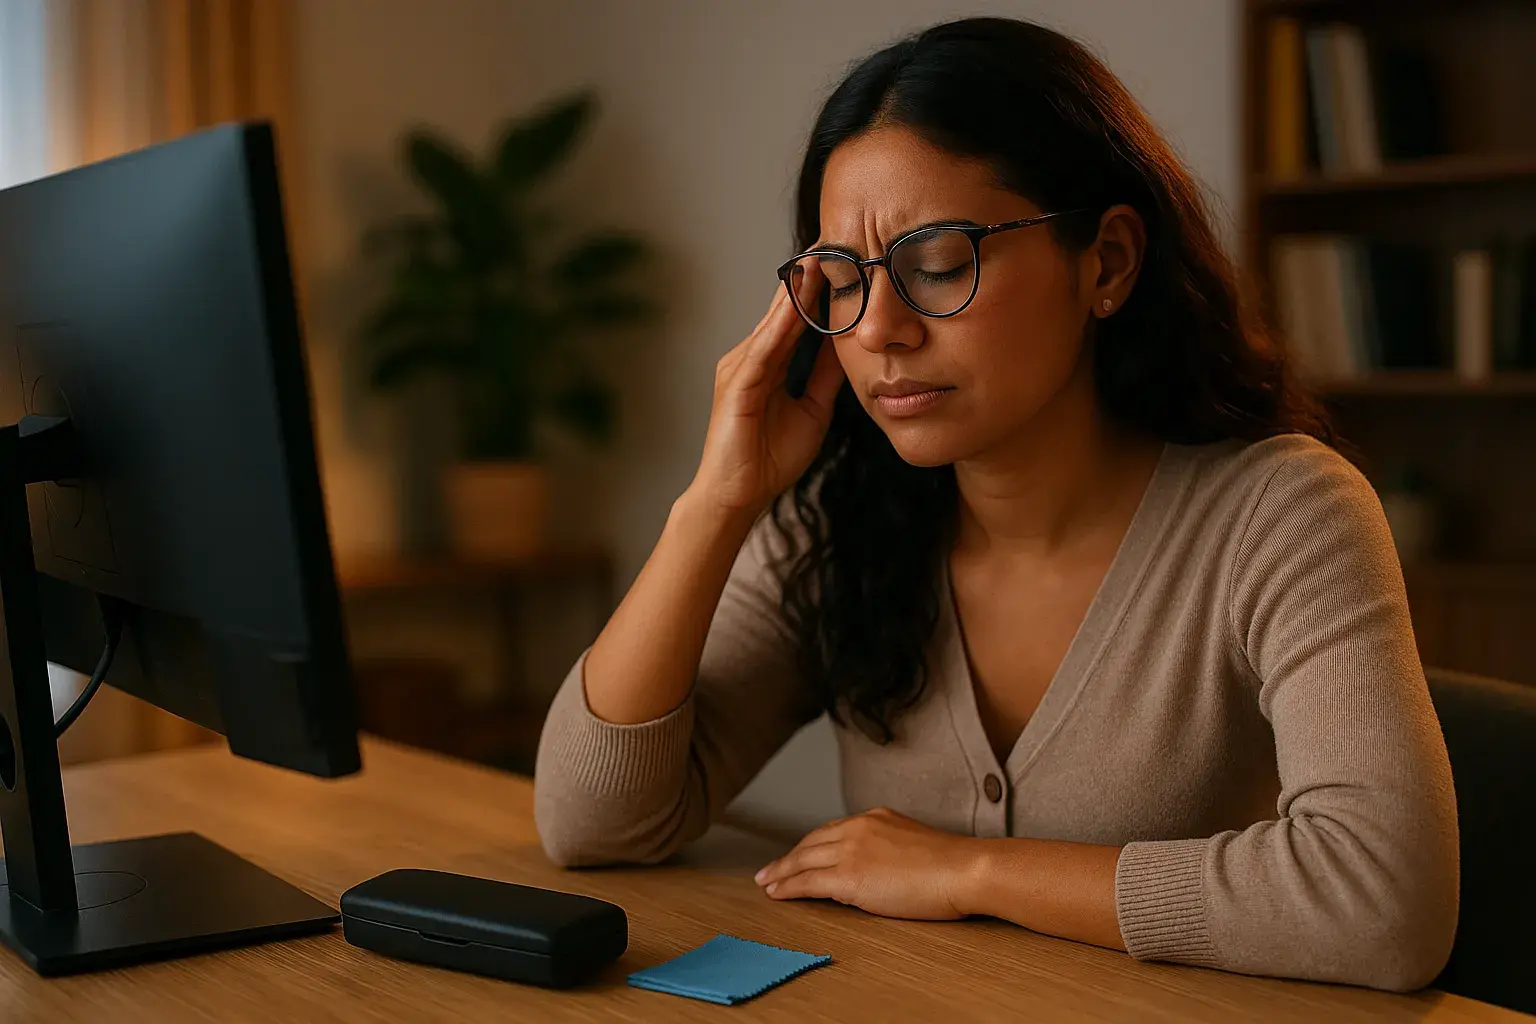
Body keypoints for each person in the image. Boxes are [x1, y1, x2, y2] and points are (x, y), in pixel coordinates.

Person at [534, 16, 1458, 992]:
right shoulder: (842, 524)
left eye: (937, 265)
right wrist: (715, 502)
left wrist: (965, 867)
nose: (881, 329)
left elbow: (1384, 902)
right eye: (843, 282)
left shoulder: (1282, 513)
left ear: (1105, 262)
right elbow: (593, 823)